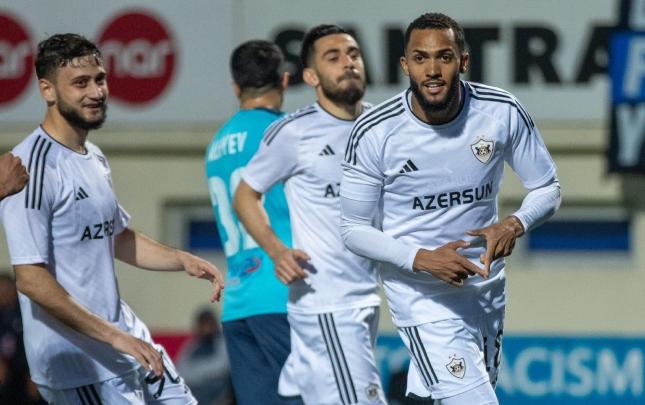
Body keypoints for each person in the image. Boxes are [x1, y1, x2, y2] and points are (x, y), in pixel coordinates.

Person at [340, 13, 561, 405]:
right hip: (420, 295)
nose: (432, 70)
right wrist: (422, 259)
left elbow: (547, 187)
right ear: (405, 65)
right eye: (420, 58)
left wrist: (514, 223)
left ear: (463, 61)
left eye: (444, 57)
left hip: (485, 287)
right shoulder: (375, 132)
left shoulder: (500, 112)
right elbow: (353, 228)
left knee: (445, 395)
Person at [0, 33, 224, 404]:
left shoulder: (94, 156)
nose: (96, 92)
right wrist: (115, 337)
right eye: (80, 83)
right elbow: (30, 279)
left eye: (100, 79)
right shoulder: (30, 169)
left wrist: (181, 259)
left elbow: (116, 236)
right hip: (80, 363)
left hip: (128, 341)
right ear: (47, 90)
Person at [233, 25, 386, 404]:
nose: (348, 63)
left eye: (353, 54)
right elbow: (245, 196)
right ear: (311, 76)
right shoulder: (293, 133)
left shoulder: (384, 126)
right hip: (327, 304)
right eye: (333, 57)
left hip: (365, 297)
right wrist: (277, 251)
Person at [204, 39, 300, 405]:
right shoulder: (285, 132)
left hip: (238, 300)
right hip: (284, 292)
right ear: (285, 80)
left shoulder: (216, 144)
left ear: (235, 87)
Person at [176, 308, 232, 405]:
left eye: (210, 324)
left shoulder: (223, 341)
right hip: (194, 391)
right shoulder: (191, 346)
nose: (207, 328)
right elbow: (180, 372)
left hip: (218, 391)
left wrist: (196, 372)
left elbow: (223, 366)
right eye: (203, 324)